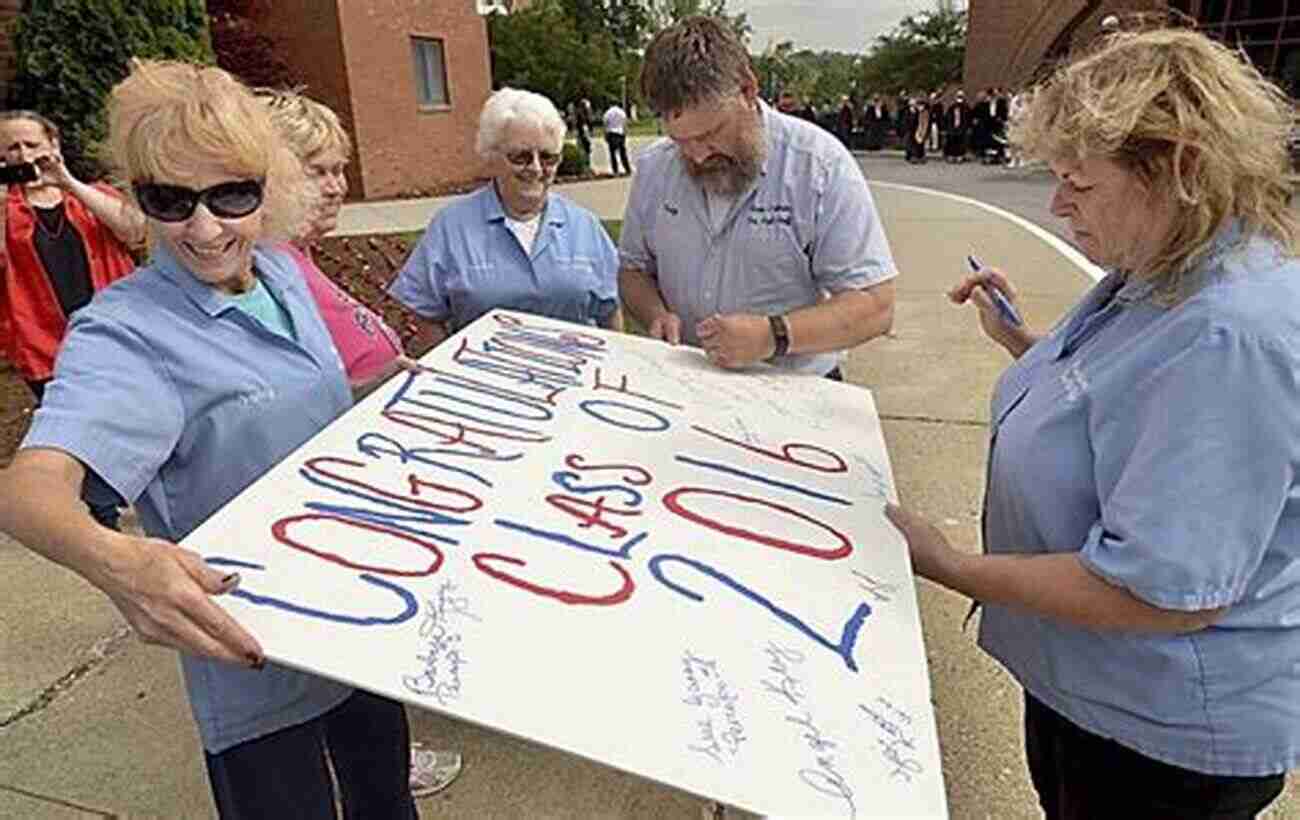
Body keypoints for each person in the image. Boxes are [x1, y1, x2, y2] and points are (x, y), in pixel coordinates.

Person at [887, 26, 1300, 819]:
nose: (1056, 202)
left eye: (1078, 181)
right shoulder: (1170, 262)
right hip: (1101, 695)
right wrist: (1024, 343)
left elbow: (1159, 590)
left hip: (1161, 738)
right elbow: (1134, 390)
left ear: (1179, 167)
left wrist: (951, 566)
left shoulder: (1229, 332)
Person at [0, 60, 415, 818]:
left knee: (387, 804)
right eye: (170, 199)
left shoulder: (280, 272)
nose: (203, 228)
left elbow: (294, 404)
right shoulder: (125, 334)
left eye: (231, 195)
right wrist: (118, 563)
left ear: (267, 189)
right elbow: (29, 491)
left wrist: (388, 393)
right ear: (135, 194)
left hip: (359, 627)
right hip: (254, 662)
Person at [259, 87, 463, 798]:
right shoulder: (263, 274)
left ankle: (382, 767)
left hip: (368, 500)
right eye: (316, 169)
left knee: (367, 695)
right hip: (327, 514)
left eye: (339, 168)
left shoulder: (297, 261)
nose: (336, 185)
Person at [619, 15, 896, 380]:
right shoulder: (656, 167)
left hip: (795, 389)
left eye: (710, 134)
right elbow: (633, 269)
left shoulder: (818, 165)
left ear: (748, 90)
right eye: (681, 142)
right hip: (689, 382)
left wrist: (772, 335)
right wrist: (655, 313)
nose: (698, 156)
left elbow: (875, 305)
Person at [0, 109, 143, 531]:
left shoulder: (91, 194)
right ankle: (104, 522)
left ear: (53, 147)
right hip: (45, 345)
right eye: (12, 147)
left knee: (133, 416)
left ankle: (145, 496)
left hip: (116, 335)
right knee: (79, 434)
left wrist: (68, 183)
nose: (24, 153)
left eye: (32, 144)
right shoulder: (7, 211)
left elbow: (134, 231)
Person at [389, 87, 621, 343]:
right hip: (482, 379)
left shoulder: (584, 226)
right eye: (520, 157)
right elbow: (427, 315)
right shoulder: (451, 227)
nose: (535, 168)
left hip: (576, 377)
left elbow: (611, 311)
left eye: (547, 157)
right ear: (492, 155)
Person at [602, 100, 631, 175]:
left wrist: (605, 135)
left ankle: (615, 170)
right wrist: (625, 133)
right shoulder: (621, 112)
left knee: (612, 154)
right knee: (623, 153)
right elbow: (625, 123)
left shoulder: (608, 112)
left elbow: (605, 124)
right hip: (620, 133)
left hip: (612, 133)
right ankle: (627, 169)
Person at [943, 89, 969, 163]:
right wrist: (947, 128)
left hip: (961, 128)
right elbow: (947, 118)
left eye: (961, 97)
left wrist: (966, 127)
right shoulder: (952, 107)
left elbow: (968, 118)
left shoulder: (966, 107)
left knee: (960, 142)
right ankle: (951, 155)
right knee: (951, 142)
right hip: (952, 128)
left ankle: (960, 155)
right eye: (958, 97)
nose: (959, 99)